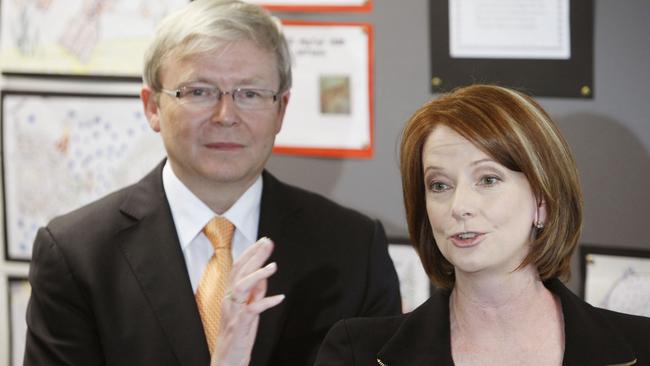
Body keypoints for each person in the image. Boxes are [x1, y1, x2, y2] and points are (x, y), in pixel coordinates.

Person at [23, 1, 401, 365]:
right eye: (199, 91)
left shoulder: (353, 250)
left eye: (249, 93)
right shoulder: (78, 256)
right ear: (152, 107)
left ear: (281, 109)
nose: (226, 116)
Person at [315, 84, 650, 366]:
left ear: (542, 203)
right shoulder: (356, 352)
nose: (459, 207)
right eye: (439, 185)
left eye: (488, 179)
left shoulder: (640, 346)